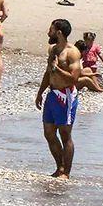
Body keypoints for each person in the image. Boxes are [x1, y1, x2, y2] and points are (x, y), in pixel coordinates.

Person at [36, 18, 83, 179]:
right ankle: (59, 166)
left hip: (66, 95)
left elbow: (73, 78)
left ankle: (66, 172)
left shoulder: (72, 52)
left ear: (59, 32)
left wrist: (57, 68)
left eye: (51, 29)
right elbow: (49, 72)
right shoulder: (52, 49)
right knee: (48, 133)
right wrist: (40, 92)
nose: (48, 32)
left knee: (65, 134)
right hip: (52, 94)